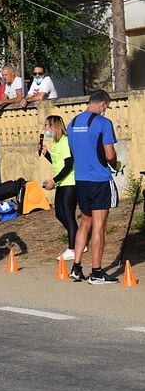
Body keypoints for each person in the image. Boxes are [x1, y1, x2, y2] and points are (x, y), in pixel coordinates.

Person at [66, 91, 122, 284]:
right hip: (99, 179)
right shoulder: (103, 123)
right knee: (99, 225)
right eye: (107, 107)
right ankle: (97, 273)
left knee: (85, 223)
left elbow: (74, 152)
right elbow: (109, 155)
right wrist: (116, 165)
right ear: (103, 105)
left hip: (80, 180)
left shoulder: (72, 123)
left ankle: (76, 267)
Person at [40, 115, 77, 260]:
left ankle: (73, 248)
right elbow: (57, 163)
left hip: (70, 183)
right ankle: (78, 239)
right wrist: (46, 154)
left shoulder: (65, 141)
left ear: (54, 126)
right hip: (61, 183)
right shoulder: (56, 143)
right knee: (59, 214)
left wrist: (54, 180)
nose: (45, 129)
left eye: (46, 125)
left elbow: (68, 165)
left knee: (68, 214)